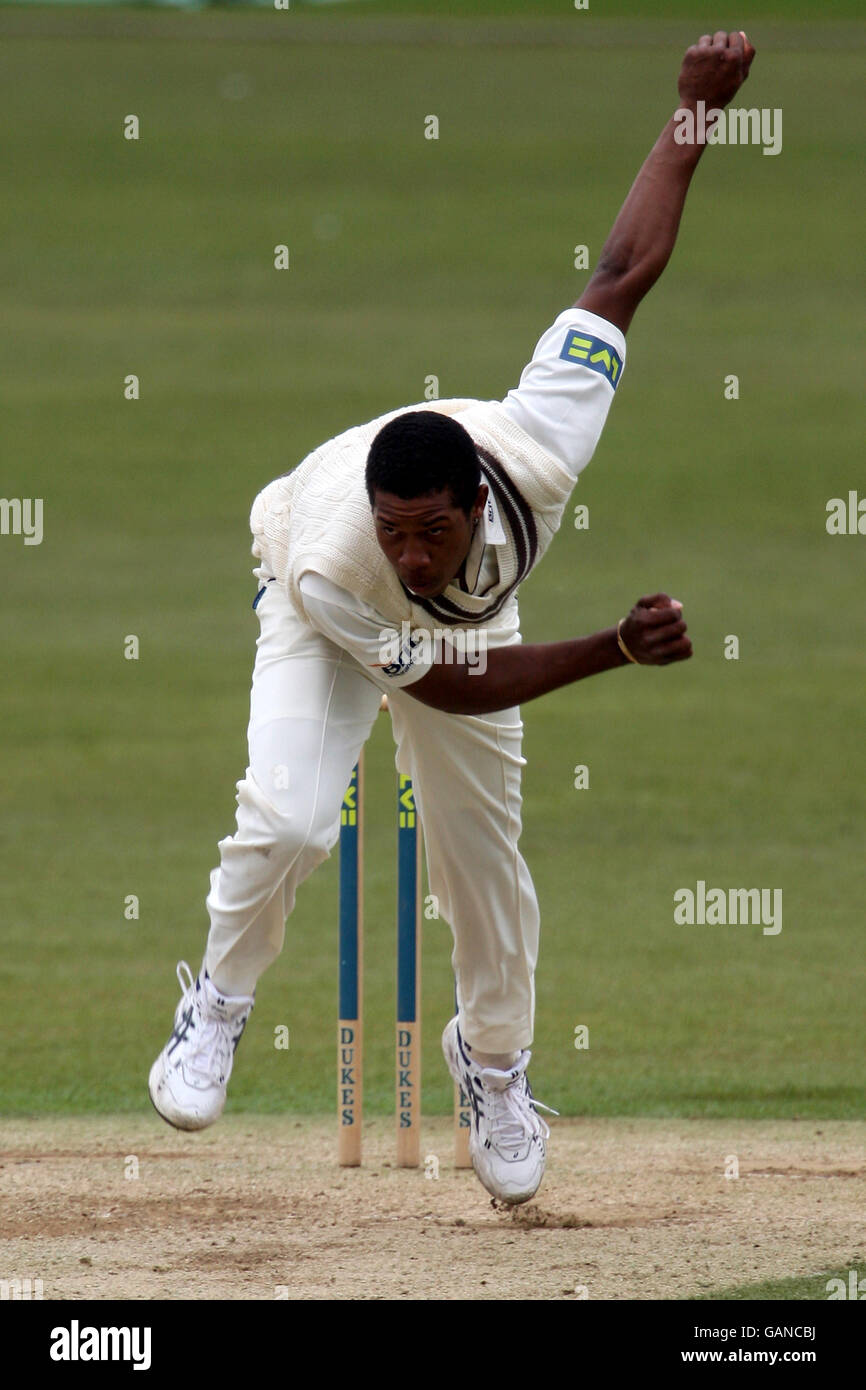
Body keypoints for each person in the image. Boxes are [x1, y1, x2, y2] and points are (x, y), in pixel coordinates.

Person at [149, 31, 756, 1205]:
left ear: (475, 498)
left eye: (429, 529)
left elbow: (620, 273)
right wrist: (611, 651)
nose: (412, 552)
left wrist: (692, 110)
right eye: (397, 533)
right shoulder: (341, 562)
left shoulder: (534, 444)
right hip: (314, 607)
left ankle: (492, 1071)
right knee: (286, 823)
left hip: (472, 632)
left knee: (482, 863)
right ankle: (216, 1007)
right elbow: (444, 685)